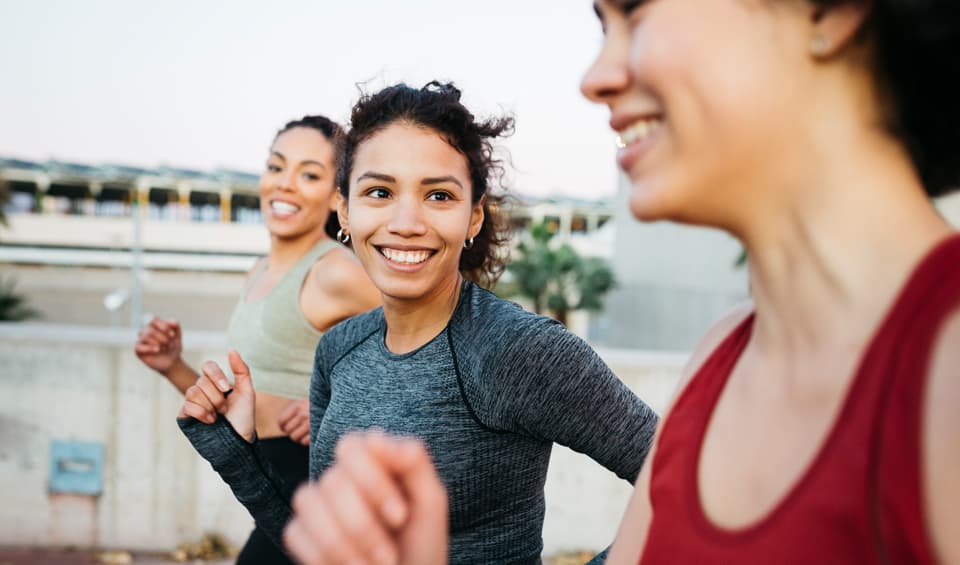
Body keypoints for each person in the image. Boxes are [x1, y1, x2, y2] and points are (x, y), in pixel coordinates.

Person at [280, 1, 960, 564]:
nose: (596, 76)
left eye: (637, 12)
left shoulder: (944, 368)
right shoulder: (722, 360)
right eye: (605, 26)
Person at [175, 81, 659, 565]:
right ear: (345, 210)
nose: (406, 222)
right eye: (380, 191)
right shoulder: (339, 349)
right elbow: (323, 548)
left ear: (474, 217)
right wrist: (239, 452)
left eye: (439, 196)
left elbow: (686, 486)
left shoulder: (516, 349)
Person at [134, 115, 380, 565]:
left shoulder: (335, 270)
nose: (285, 184)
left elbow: (422, 341)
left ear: (335, 196)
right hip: (267, 477)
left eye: (309, 174)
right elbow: (245, 397)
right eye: (276, 167)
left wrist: (342, 404)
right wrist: (174, 365)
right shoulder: (258, 271)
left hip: (317, 485)